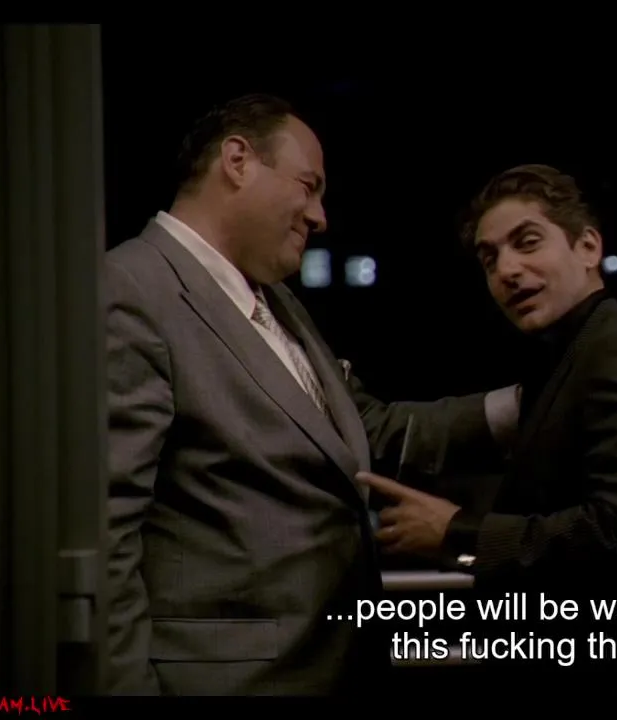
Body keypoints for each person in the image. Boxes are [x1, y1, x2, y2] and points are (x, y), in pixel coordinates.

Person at [104, 94, 517, 696]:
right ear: (238, 161)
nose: (320, 216)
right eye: (309, 186)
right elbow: (106, 533)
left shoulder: (275, 301)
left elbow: (361, 432)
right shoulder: (130, 290)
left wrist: (524, 408)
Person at [360, 164, 617, 695]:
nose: (507, 270)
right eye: (489, 259)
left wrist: (457, 532)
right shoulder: (575, 359)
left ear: (588, 247)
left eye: (527, 242)